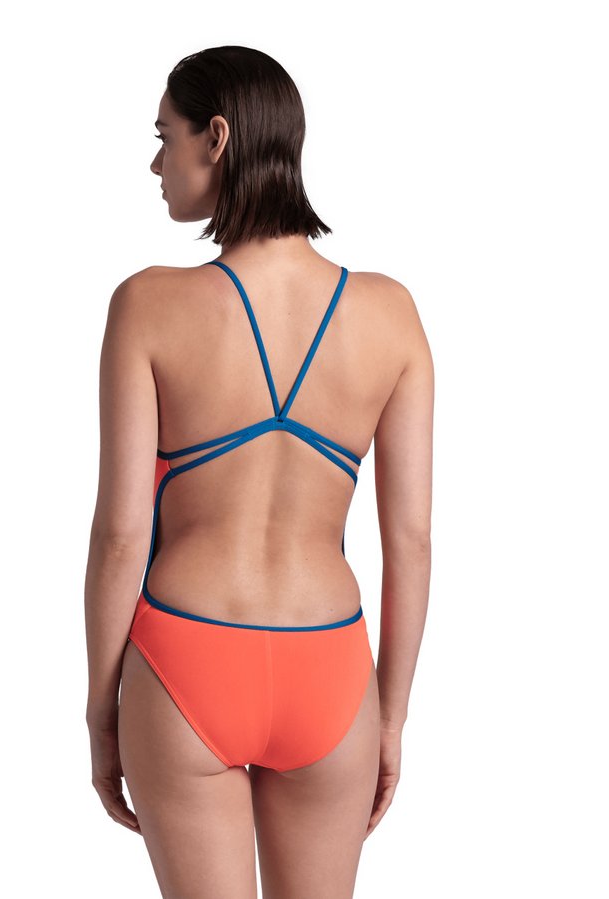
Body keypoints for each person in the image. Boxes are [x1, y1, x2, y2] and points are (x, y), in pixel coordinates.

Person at [84, 45, 433, 899]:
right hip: (331, 671)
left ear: (217, 137)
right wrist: (389, 716)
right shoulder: (391, 314)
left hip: (185, 659)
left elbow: (123, 533)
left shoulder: (147, 304)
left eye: (164, 137)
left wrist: (101, 711)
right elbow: (412, 541)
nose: (156, 164)